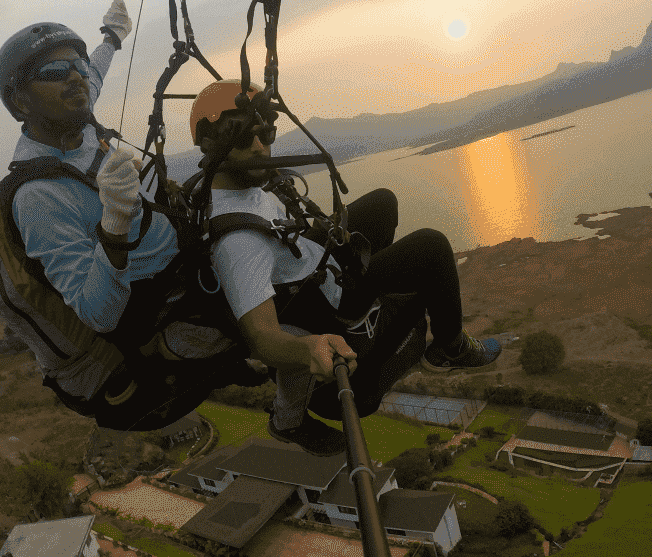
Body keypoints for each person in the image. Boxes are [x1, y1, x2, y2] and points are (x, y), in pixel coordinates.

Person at [191, 80, 501, 455]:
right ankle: (450, 348)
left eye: (265, 132)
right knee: (431, 247)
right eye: (243, 137)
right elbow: (263, 337)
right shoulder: (238, 243)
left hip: (312, 261)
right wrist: (309, 349)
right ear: (210, 144)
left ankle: (381, 302)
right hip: (325, 301)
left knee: (384, 203)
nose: (260, 146)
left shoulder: (237, 184)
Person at [0, 0, 259, 430]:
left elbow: (93, 73)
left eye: (75, 65)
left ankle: (232, 351)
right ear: (21, 103)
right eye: (56, 72)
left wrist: (111, 37)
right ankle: (270, 387)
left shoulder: (72, 113)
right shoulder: (39, 196)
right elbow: (98, 313)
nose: (76, 76)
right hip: (151, 308)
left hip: (174, 252)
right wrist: (114, 222)